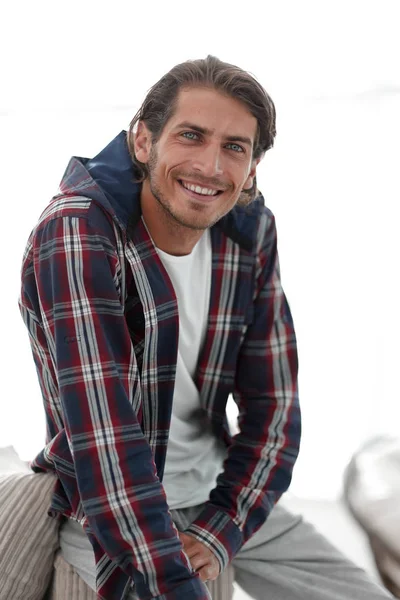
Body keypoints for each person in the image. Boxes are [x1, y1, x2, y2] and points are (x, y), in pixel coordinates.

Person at [18, 56, 390, 600]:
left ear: (253, 168)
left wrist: (221, 529)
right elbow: (107, 447)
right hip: (109, 507)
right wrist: (177, 581)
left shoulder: (250, 231)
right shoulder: (79, 233)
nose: (211, 166)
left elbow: (275, 414)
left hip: (218, 492)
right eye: (191, 135)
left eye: (234, 147)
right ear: (143, 141)